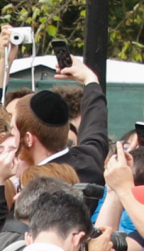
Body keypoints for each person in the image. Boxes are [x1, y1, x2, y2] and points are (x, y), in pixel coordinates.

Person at [11, 57, 108, 185]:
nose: (11, 136)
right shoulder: (88, 160)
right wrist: (90, 80)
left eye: (13, 129)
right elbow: (95, 126)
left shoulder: (36, 186)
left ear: (29, 138)